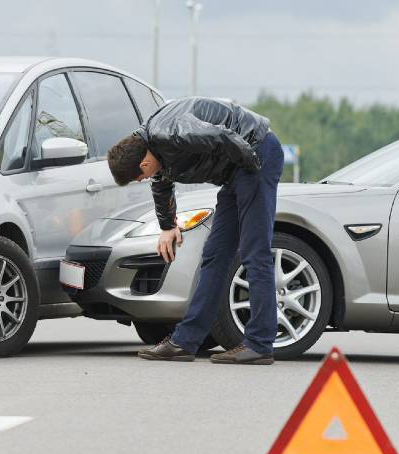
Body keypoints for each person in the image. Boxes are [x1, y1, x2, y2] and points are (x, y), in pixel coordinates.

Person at [108, 97, 284, 365]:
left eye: (138, 177)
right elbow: (161, 183)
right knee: (214, 255)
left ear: (143, 164)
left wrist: (252, 172)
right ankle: (184, 342)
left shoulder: (173, 132)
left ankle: (259, 344)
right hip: (236, 172)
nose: (143, 180)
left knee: (254, 251)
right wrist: (167, 226)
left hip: (255, 156)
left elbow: (222, 136)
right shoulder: (151, 146)